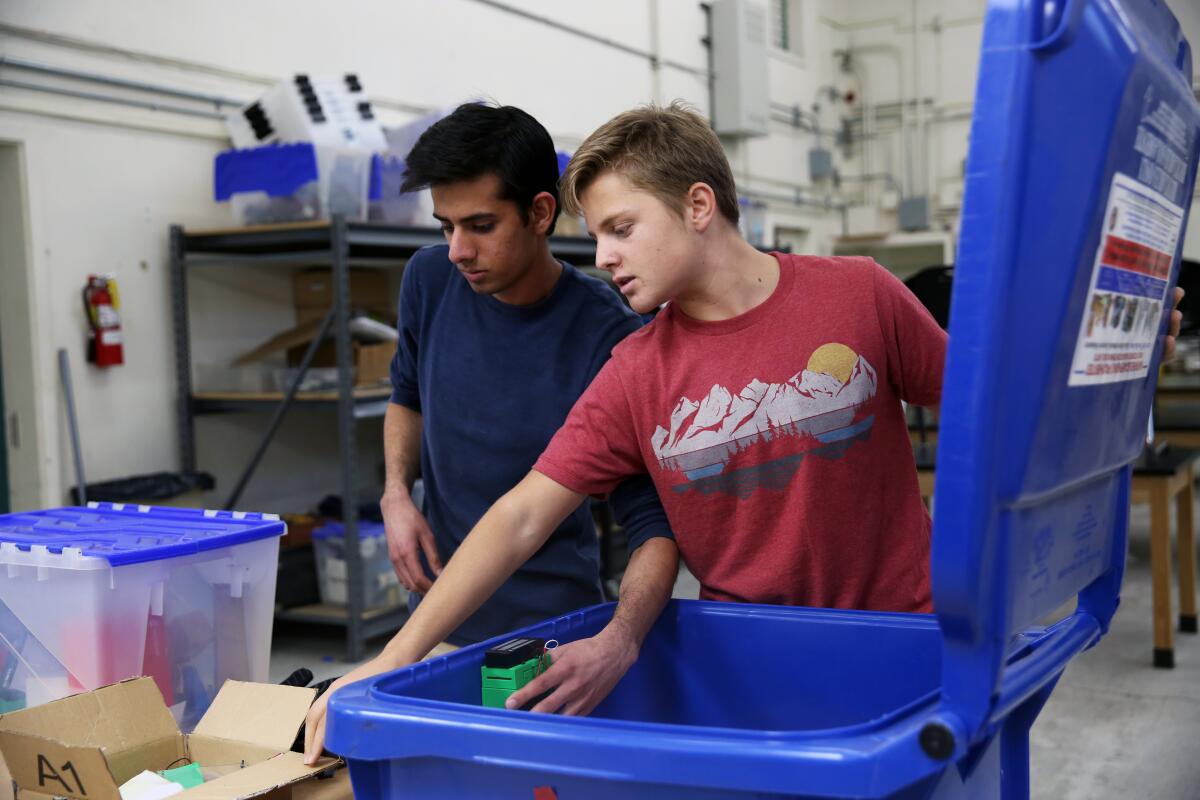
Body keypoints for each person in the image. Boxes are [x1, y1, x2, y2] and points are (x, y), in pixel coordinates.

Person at [304, 101, 1185, 763]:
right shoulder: (636, 370)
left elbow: (996, 417)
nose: (603, 256)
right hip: (753, 661)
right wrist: (392, 657)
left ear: (696, 206)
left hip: (909, 641)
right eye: (595, 235)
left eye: (620, 229)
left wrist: (1116, 348)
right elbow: (522, 516)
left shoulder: (859, 293)